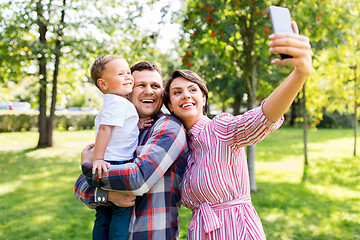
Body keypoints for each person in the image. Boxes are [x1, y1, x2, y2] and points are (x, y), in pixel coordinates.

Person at [162, 21, 312, 239]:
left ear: (203, 99)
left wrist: (299, 74)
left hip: (236, 231)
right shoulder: (183, 147)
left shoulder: (220, 129)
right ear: (170, 105)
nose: (185, 95)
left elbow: (262, 117)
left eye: (192, 89)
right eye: (177, 92)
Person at [74, 61, 188, 240]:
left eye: (155, 86)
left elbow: (137, 179)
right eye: (140, 85)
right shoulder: (118, 129)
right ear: (127, 91)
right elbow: (79, 189)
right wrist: (108, 195)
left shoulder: (169, 128)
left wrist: (88, 167)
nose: (149, 91)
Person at [89, 55, 140, 240]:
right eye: (121, 73)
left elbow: (119, 128)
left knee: (103, 214)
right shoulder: (117, 102)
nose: (128, 76)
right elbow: (104, 129)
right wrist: (98, 158)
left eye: (128, 72)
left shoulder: (115, 103)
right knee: (121, 211)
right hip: (116, 163)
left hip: (109, 162)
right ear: (103, 84)